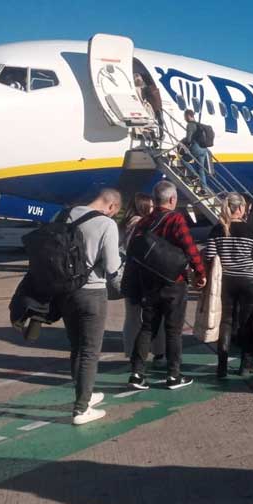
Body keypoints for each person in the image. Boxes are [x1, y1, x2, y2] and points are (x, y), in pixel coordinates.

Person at [128, 181, 206, 391]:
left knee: (147, 327)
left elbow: (134, 249)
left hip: (149, 282)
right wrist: (200, 273)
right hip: (174, 282)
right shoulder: (175, 219)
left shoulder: (144, 221)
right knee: (173, 330)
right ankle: (173, 375)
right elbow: (190, 248)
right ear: (172, 199)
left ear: (154, 199)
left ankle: (136, 373)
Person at [55, 189, 123, 425]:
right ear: (112, 207)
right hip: (92, 292)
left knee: (76, 346)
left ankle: (85, 393)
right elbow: (112, 266)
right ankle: (81, 409)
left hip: (65, 292)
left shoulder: (64, 215)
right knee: (90, 351)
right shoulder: (106, 224)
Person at [202, 194, 253, 378]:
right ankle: (245, 363)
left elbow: (209, 257)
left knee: (225, 322)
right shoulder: (251, 231)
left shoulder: (217, 230)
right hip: (250, 281)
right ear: (241, 208)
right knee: (247, 322)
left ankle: (222, 366)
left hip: (226, 281)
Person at [120, 193, 164, 362]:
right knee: (155, 314)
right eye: (151, 207)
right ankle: (159, 350)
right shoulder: (143, 224)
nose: (153, 210)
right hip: (145, 275)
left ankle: (131, 351)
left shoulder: (124, 225)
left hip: (129, 274)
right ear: (143, 207)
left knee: (132, 316)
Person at [181, 109, 209, 188]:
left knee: (183, 160)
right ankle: (204, 188)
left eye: (185, 117)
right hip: (204, 149)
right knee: (201, 169)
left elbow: (189, 139)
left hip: (196, 148)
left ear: (188, 116)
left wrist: (183, 143)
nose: (184, 119)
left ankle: (194, 175)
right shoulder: (199, 125)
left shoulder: (190, 125)